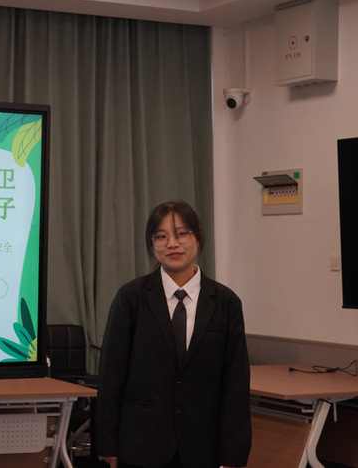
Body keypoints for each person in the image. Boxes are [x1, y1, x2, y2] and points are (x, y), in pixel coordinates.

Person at [95, 200, 251, 468]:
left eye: (181, 234)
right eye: (161, 236)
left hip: (202, 445)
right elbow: (111, 374)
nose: (172, 244)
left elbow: (236, 382)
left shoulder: (226, 303)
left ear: (198, 238)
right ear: (151, 244)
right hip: (141, 443)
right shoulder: (131, 297)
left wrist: (233, 453)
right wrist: (107, 442)